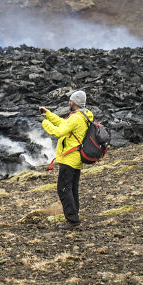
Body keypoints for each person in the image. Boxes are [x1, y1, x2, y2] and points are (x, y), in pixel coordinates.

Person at [39, 90, 93, 229]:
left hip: (69, 158)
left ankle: (72, 220)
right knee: (72, 189)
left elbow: (58, 132)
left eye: (71, 101)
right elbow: (64, 124)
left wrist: (44, 123)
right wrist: (49, 115)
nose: (69, 103)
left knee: (63, 189)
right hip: (76, 158)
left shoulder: (75, 118)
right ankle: (74, 216)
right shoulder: (84, 115)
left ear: (75, 103)